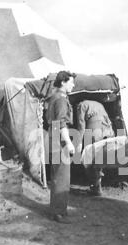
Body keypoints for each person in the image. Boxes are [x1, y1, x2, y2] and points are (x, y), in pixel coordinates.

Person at [46, 71, 76, 223]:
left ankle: (56, 210)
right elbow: (61, 123)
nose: (73, 85)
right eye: (71, 82)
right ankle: (58, 212)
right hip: (59, 139)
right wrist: (69, 143)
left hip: (53, 137)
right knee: (62, 177)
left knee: (57, 175)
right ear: (63, 82)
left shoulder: (53, 97)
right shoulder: (61, 100)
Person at [76, 100, 114, 196]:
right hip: (107, 130)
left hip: (94, 130)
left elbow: (81, 124)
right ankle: (98, 184)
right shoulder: (99, 104)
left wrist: (79, 141)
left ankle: (96, 187)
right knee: (101, 158)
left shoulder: (81, 105)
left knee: (90, 158)